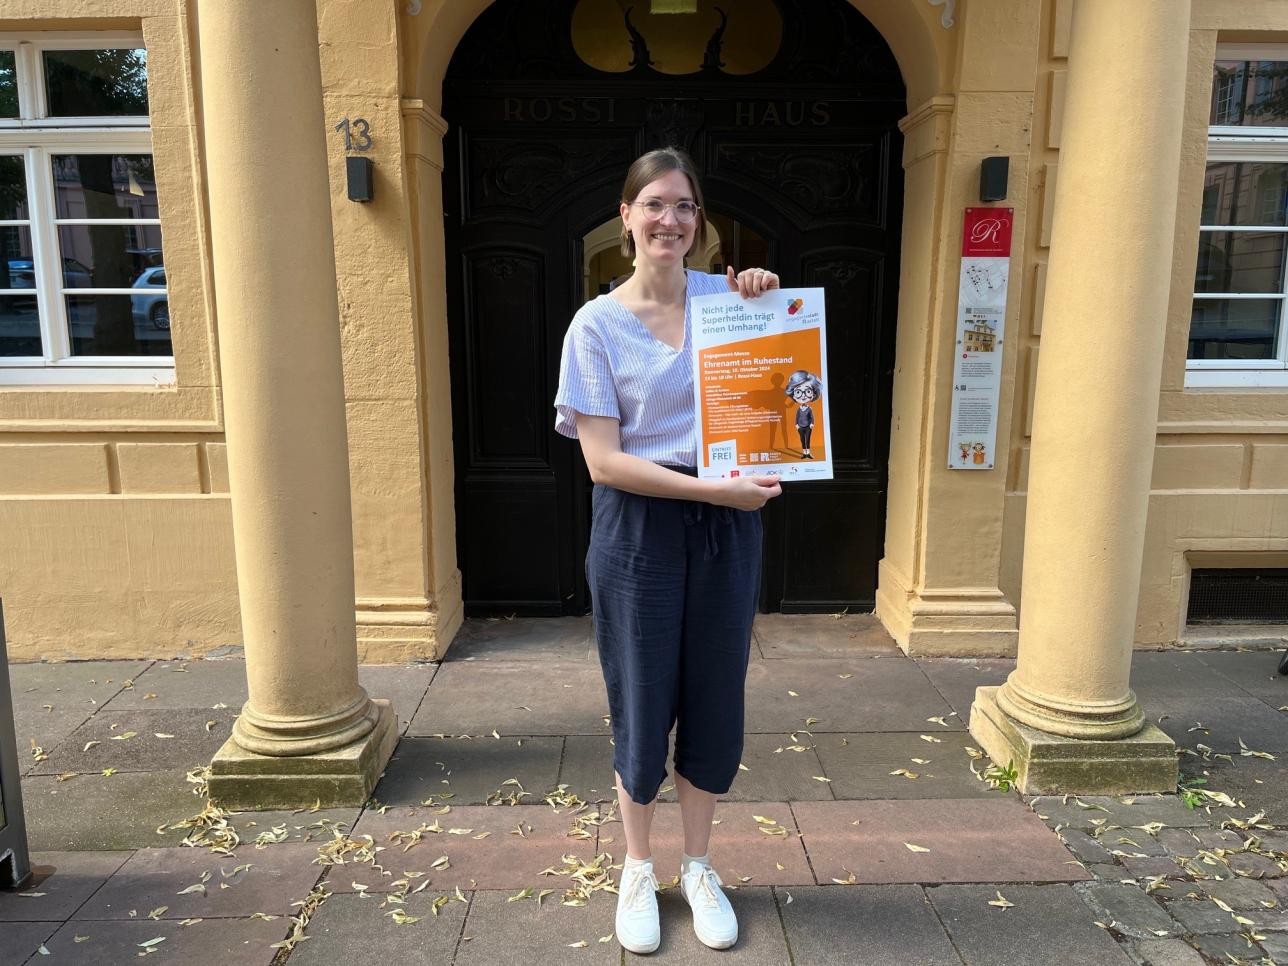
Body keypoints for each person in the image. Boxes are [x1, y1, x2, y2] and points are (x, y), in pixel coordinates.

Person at [554, 147, 781, 955]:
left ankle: (698, 865)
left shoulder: (729, 303)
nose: (670, 221)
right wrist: (715, 493)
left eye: (685, 206)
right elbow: (604, 462)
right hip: (638, 528)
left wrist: (762, 294)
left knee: (716, 698)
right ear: (625, 216)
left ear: (700, 221)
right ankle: (638, 868)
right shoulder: (596, 325)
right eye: (654, 204)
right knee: (644, 697)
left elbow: (776, 381)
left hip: (726, 529)